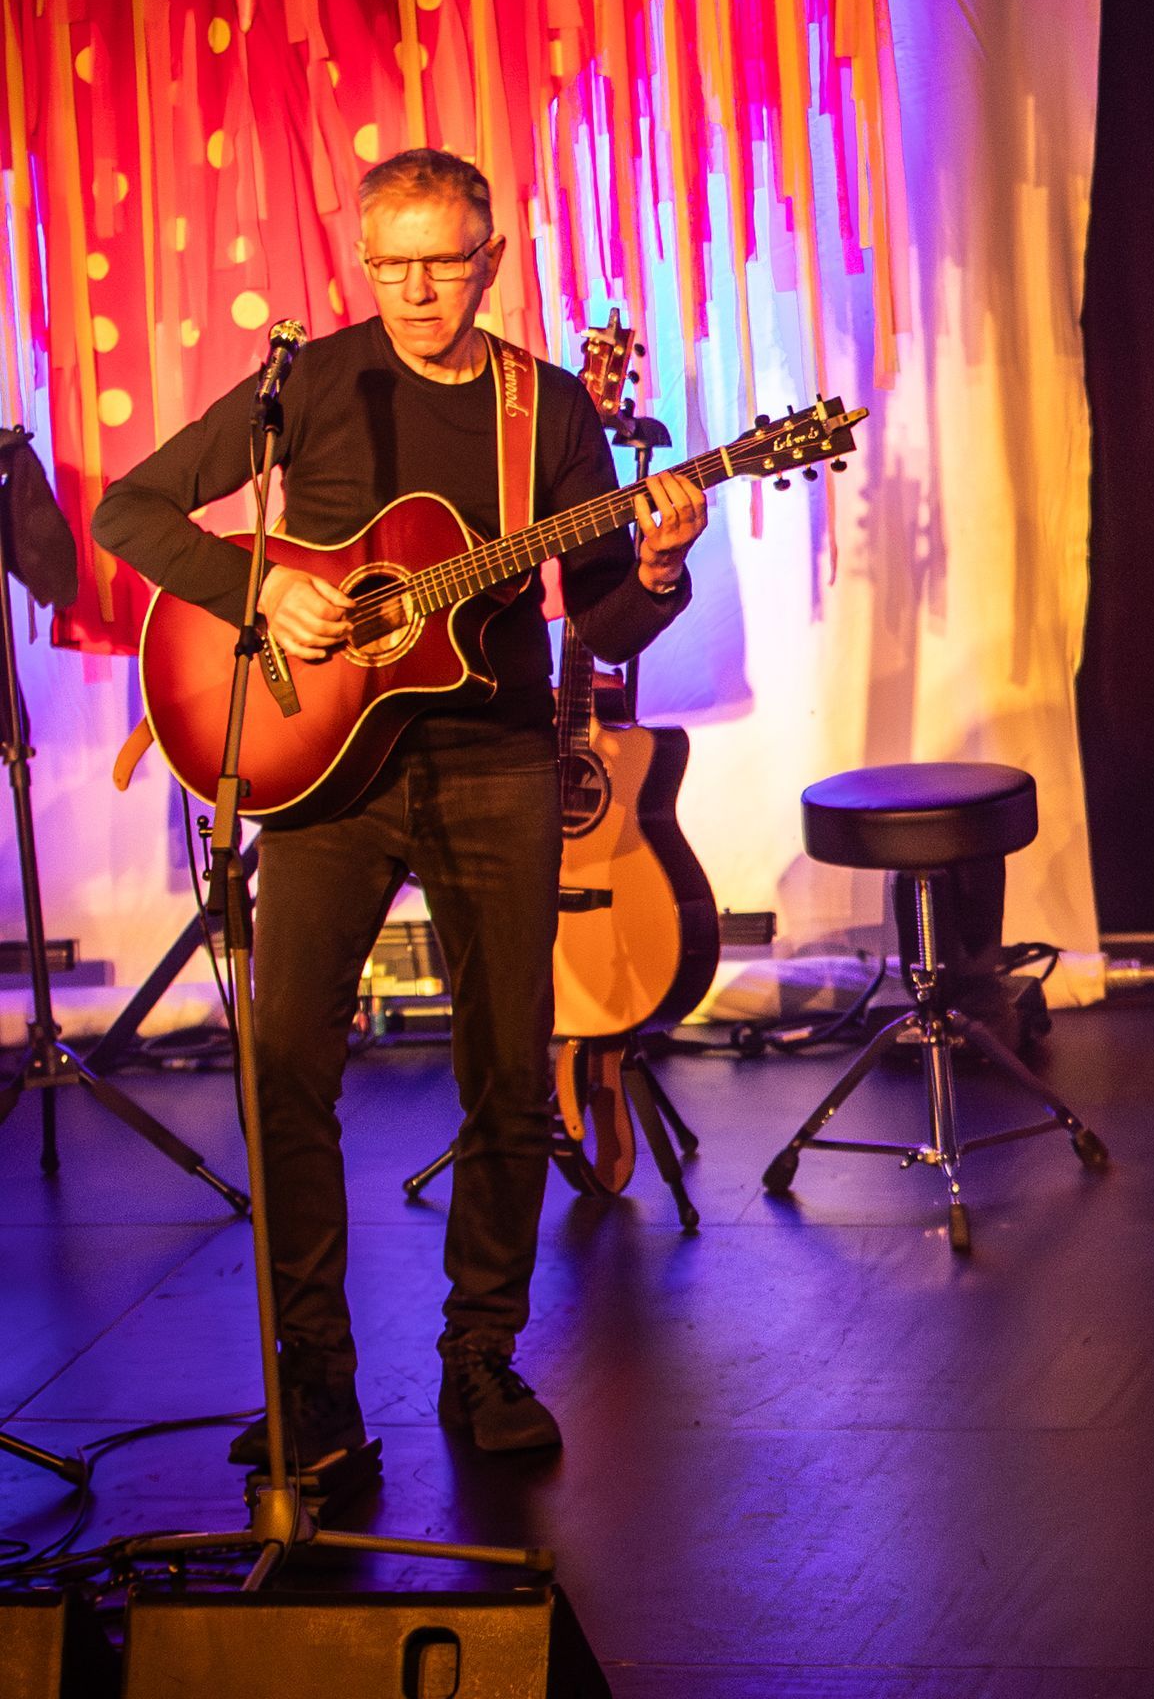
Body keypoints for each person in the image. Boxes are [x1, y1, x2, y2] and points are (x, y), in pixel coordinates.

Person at [98, 149, 705, 1478]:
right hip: (317, 765)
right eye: (396, 261)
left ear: (492, 260)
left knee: (505, 1065)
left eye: (448, 259)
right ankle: (312, 1382)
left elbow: (599, 614)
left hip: (492, 757)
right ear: (361, 261)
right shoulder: (308, 384)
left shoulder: (541, 408)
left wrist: (658, 566)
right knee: (289, 1066)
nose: (422, 287)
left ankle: (481, 1358)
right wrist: (261, 595)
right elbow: (129, 508)